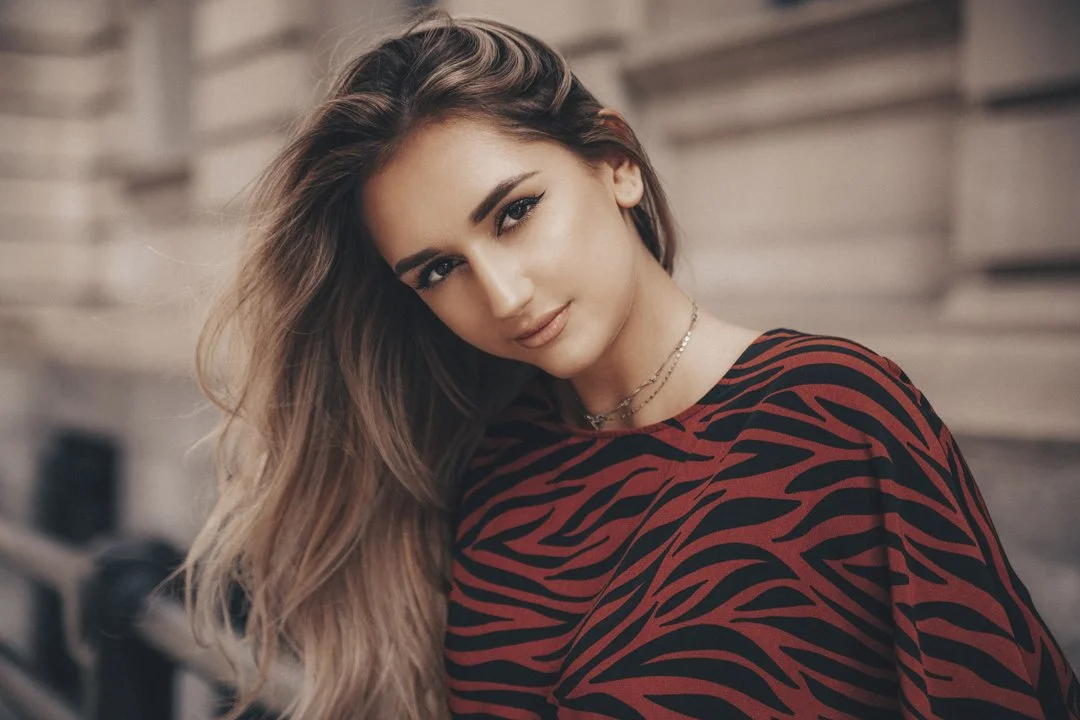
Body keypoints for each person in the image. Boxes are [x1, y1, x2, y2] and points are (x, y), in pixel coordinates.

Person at [183, 11, 1080, 720]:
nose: (500, 294)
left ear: (615, 164)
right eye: (438, 269)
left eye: (513, 213)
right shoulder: (497, 465)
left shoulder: (837, 415)